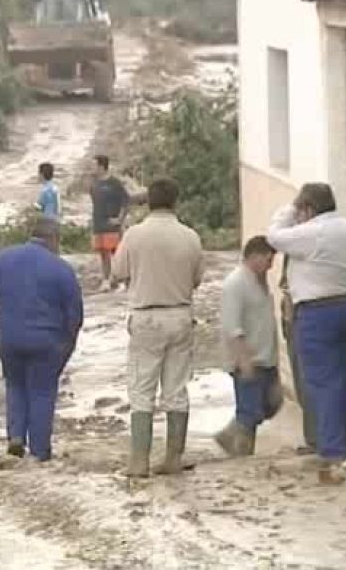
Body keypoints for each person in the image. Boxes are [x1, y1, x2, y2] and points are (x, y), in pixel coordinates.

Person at [267, 183, 346, 485]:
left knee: (322, 382)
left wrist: (288, 211)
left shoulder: (312, 232)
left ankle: (333, 452)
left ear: (309, 209)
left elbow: (274, 237)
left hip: (318, 314)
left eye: (301, 211)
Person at [111, 178, 204, 477]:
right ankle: (173, 457)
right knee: (176, 389)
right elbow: (197, 279)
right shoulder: (190, 236)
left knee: (142, 389)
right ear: (175, 202)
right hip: (179, 315)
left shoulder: (134, 235)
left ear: (148, 201)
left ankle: (139, 461)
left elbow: (117, 272)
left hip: (146, 316)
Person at [0, 217, 83, 462]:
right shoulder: (61, 268)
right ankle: (40, 450)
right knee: (42, 390)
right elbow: (74, 311)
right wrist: (69, 339)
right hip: (47, 339)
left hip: (9, 336)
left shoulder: (3, 257)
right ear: (54, 239)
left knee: (15, 385)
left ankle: (16, 438)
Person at [214, 236, 282, 457]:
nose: (271, 265)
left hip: (266, 357)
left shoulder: (259, 281)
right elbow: (231, 325)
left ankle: (228, 434)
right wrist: (243, 359)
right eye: (268, 259)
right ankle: (243, 458)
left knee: (272, 403)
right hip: (249, 359)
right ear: (253, 256)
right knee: (249, 414)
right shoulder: (236, 284)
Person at [279, 256, 316, 455]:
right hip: (294, 321)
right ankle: (314, 439)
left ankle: (315, 441)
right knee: (303, 386)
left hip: (302, 322)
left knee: (307, 384)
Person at [90, 154, 129, 292]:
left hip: (112, 225)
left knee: (117, 253)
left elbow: (125, 201)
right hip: (98, 224)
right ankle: (106, 280)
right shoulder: (94, 184)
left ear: (101, 166)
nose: (91, 168)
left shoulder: (114, 183)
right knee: (103, 253)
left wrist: (120, 219)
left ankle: (123, 281)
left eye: (94, 165)